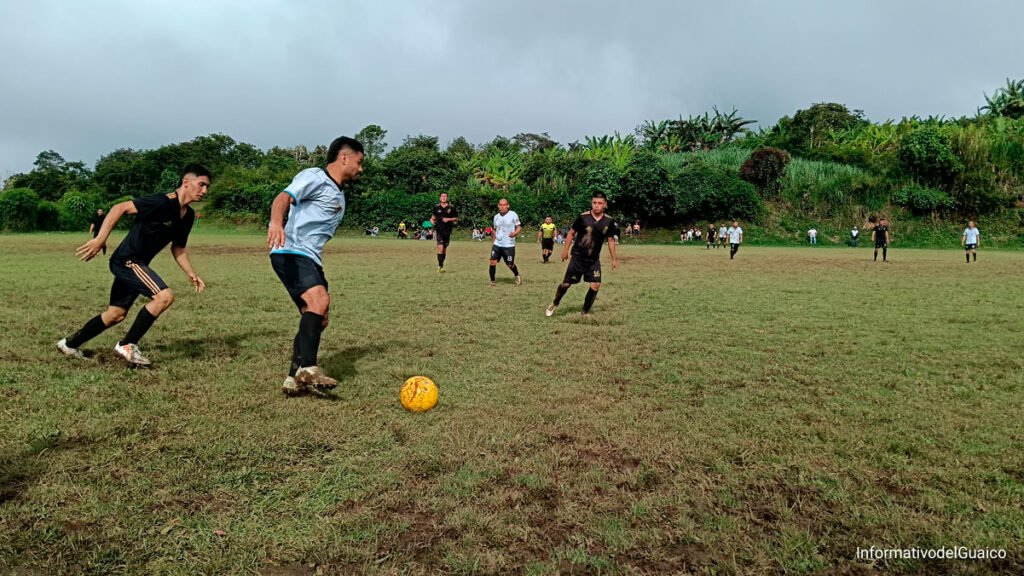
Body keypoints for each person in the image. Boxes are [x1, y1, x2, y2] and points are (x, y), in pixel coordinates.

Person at [57, 165, 211, 365]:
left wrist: (191, 273)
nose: (204, 191)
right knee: (164, 297)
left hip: (137, 264)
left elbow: (178, 248)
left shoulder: (188, 215)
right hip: (127, 260)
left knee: (115, 315)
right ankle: (128, 344)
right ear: (186, 182)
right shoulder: (161, 201)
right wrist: (100, 239)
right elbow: (119, 208)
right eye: (201, 185)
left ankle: (69, 344)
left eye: (207, 187)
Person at [268, 136, 364, 396]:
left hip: (309, 257)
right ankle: (308, 368)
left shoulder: (338, 192)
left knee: (318, 317)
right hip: (291, 251)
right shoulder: (315, 177)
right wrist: (276, 222)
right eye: (359, 161)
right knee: (318, 300)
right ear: (344, 157)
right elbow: (283, 197)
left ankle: (293, 378)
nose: (361, 168)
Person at [546, 191, 619, 317]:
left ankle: (584, 312)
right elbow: (571, 233)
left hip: (593, 260)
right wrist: (565, 251)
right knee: (566, 284)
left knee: (596, 285)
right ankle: (555, 303)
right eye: (594, 202)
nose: (596, 205)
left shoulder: (609, 221)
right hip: (578, 257)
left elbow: (611, 240)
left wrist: (614, 259)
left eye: (600, 203)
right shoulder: (583, 217)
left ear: (605, 205)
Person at [489, 198, 522, 286]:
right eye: (500, 205)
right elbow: (495, 230)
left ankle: (517, 275)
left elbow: (519, 227)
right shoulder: (496, 217)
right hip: (497, 244)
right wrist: (494, 241)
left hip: (508, 245)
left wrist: (515, 233)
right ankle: (492, 281)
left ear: (508, 206)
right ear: (498, 206)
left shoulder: (513, 215)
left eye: (504, 205)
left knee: (510, 265)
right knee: (492, 261)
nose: (502, 207)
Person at [431, 192, 459, 272]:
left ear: (447, 198)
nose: (443, 197)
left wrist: (449, 219)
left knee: (444, 249)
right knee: (440, 247)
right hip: (439, 230)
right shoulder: (436, 207)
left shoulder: (451, 207)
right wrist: (432, 221)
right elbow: (433, 217)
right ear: (440, 198)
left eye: (445, 196)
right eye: (442, 196)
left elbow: (456, 218)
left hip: (447, 231)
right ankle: (440, 266)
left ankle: (441, 264)